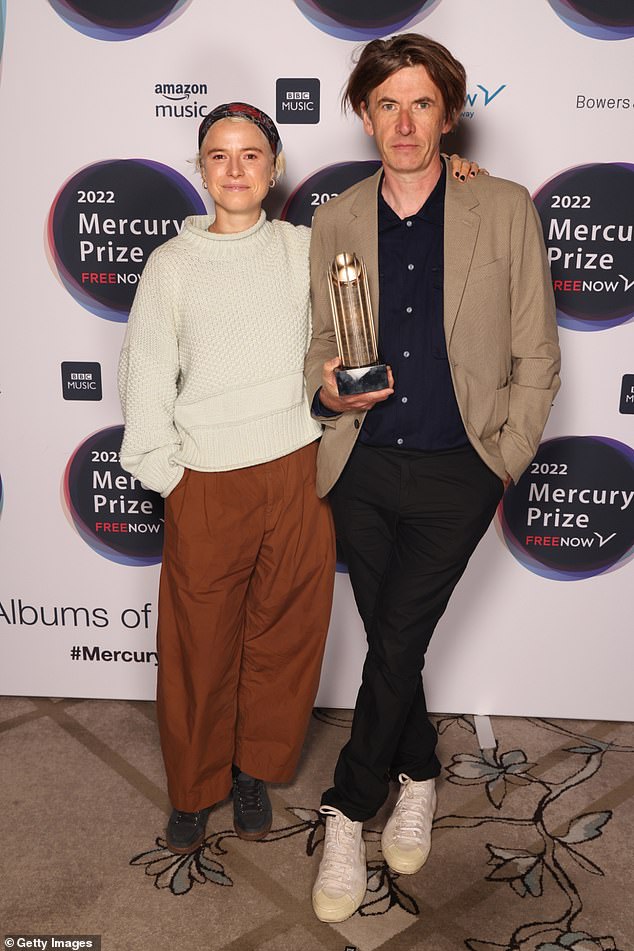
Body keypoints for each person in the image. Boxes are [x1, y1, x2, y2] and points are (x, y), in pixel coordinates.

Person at [305, 34, 561, 922]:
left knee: (398, 632)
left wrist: (507, 456)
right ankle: (417, 774)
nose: (403, 122)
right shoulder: (336, 218)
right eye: (386, 103)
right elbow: (317, 343)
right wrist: (325, 383)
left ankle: (345, 805)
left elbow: (536, 351)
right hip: (362, 463)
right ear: (364, 113)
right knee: (394, 639)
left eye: (421, 103)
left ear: (447, 113)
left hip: (462, 467)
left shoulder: (504, 207)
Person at [118, 102, 337, 853]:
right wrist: (165, 472)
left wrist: (457, 175)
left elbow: (393, 231)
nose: (236, 168)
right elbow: (146, 372)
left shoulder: (306, 248)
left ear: (274, 169)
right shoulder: (172, 266)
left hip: (296, 470)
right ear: (201, 168)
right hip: (207, 477)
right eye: (219, 155)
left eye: (251, 155)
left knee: (284, 636)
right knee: (199, 646)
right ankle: (193, 787)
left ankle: (251, 769)